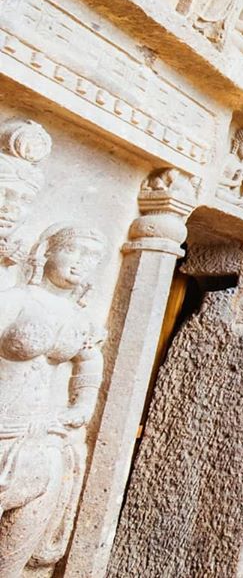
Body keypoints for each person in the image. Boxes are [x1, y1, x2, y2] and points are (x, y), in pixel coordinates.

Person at [0, 224, 107, 575]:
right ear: (48, 250)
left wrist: (81, 407)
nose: (82, 263)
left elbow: (89, 363)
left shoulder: (80, 319)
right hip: (4, 428)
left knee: (12, 560)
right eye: (75, 251)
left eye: (92, 257)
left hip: (43, 441)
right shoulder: (15, 300)